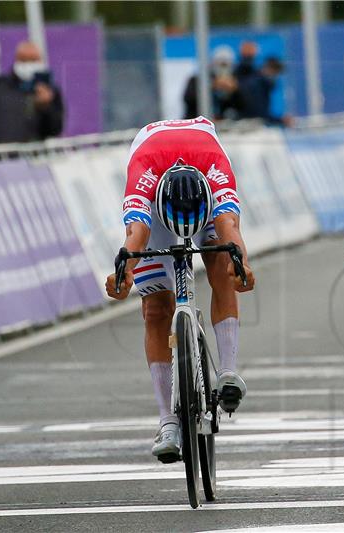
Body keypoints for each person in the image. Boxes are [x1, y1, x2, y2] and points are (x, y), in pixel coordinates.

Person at [105, 116, 255, 463]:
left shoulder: (216, 172)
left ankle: (229, 371)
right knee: (156, 309)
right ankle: (167, 421)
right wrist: (123, 274)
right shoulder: (142, 174)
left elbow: (229, 227)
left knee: (223, 265)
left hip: (201, 178)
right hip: (157, 200)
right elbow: (135, 237)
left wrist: (242, 266)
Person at [0, 40, 63, 146]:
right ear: (16, 60)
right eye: (24, 60)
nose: (28, 65)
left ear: (40, 61)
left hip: (33, 157)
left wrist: (46, 107)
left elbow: (55, 129)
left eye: (33, 60)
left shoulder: (50, 91)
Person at [183, 45, 245, 121]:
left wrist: (235, 90)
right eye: (220, 64)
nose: (223, 69)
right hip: (197, 123)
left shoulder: (237, 80)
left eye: (226, 65)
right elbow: (188, 99)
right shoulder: (197, 80)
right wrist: (211, 86)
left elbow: (244, 106)